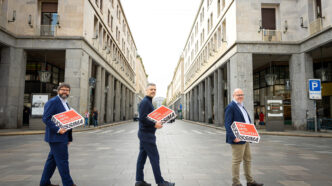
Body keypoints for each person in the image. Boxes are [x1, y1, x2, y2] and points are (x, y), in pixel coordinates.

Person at [135, 83, 175, 186]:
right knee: (155, 158)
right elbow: (143, 118)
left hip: (145, 134)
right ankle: (160, 182)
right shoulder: (145, 102)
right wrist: (154, 124)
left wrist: (164, 118)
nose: (153, 91)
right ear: (146, 90)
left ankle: (139, 181)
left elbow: (150, 117)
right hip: (146, 134)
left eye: (155, 89)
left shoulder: (148, 102)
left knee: (142, 157)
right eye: (151, 89)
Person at [224, 88, 263, 186]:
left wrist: (251, 133)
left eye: (241, 94)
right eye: (238, 95)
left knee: (248, 159)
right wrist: (233, 137)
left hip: (245, 137)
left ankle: (250, 181)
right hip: (237, 138)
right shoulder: (231, 107)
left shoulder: (242, 106)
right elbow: (227, 124)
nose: (240, 96)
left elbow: (246, 122)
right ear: (233, 96)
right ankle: (236, 183)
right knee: (237, 161)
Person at [40, 83, 76, 186]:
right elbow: (46, 118)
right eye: (63, 90)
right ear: (58, 91)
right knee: (63, 162)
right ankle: (68, 184)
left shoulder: (66, 103)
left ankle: (44, 183)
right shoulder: (53, 102)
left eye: (67, 90)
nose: (65, 92)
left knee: (52, 162)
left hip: (63, 137)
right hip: (56, 137)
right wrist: (58, 130)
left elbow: (68, 121)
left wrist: (69, 137)